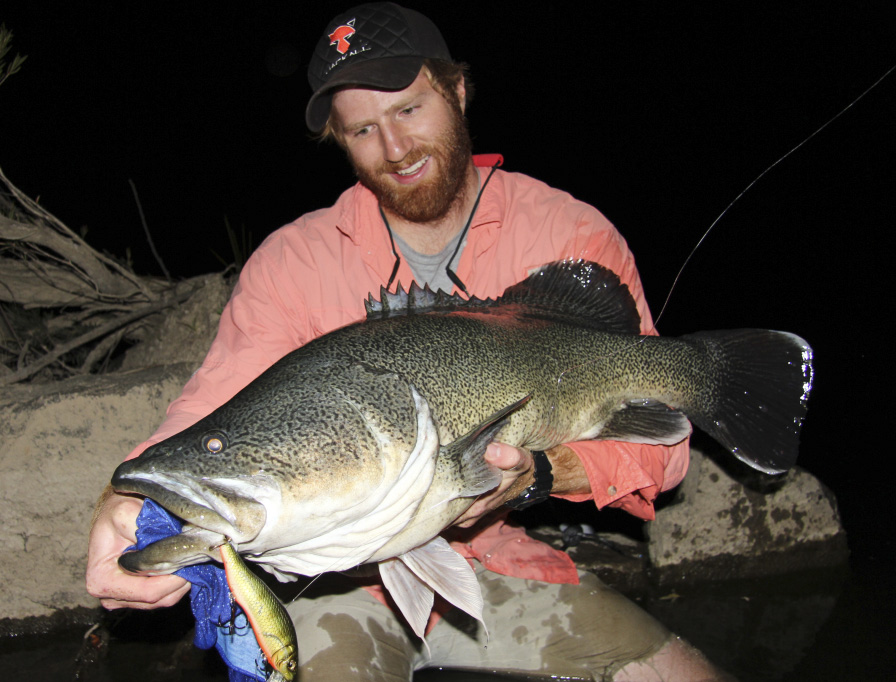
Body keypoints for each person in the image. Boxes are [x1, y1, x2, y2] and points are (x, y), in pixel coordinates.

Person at [87, 4, 734, 680]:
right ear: (338, 140)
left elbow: (662, 458)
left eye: (408, 110)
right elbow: (215, 410)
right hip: (339, 588)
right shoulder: (293, 262)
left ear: (456, 90)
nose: (394, 149)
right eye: (363, 129)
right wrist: (126, 501)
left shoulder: (568, 232)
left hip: (509, 561)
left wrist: (539, 475)